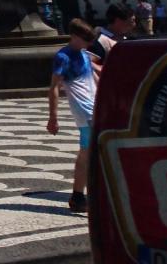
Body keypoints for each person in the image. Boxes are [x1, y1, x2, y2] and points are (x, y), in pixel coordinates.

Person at [50, 19, 101, 214]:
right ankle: (80, 196)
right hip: (84, 110)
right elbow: (54, 87)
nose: (89, 43)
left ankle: (80, 196)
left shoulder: (84, 55)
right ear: (75, 36)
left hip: (94, 106)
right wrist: (53, 117)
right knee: (90, 152)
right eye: (86, 40)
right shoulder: (63, 57)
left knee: (89, 151)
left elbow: (94, 79)